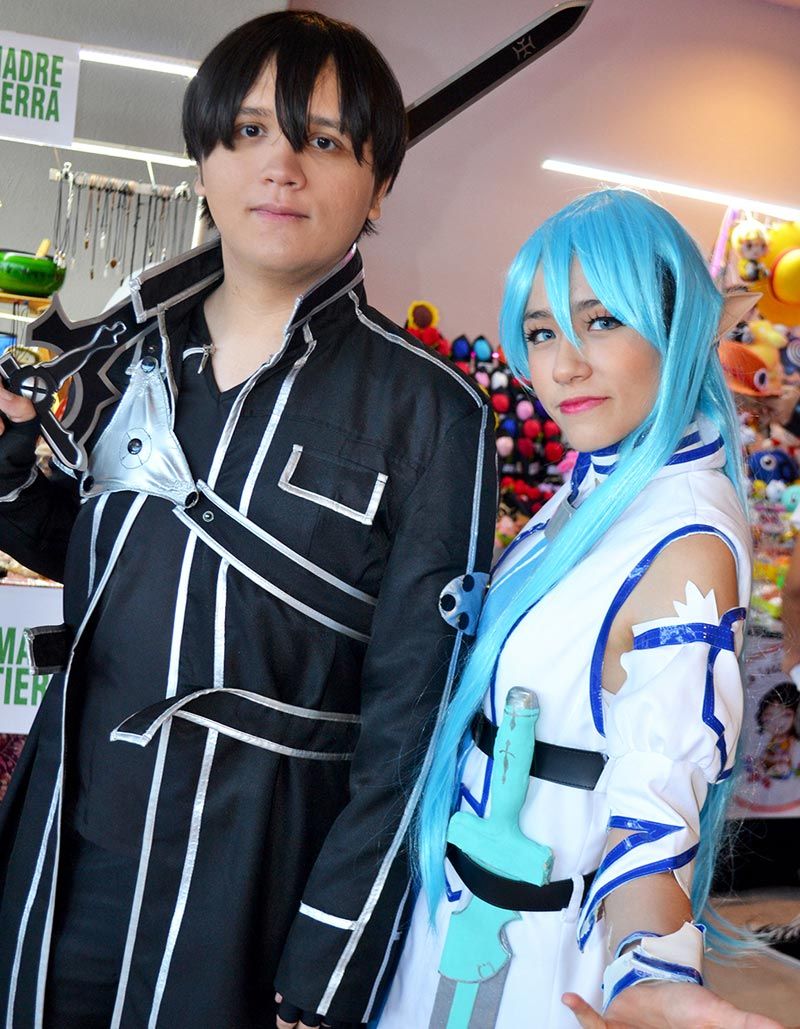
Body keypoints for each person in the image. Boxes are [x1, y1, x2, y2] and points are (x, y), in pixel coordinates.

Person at [0, 12, 497, 1028]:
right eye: (249, 132)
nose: (281, 166)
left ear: (379, 186)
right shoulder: (125, 362)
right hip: (65, 850)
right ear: (205, 159)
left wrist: (331, 954)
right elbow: (101, 558)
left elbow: (416, 715)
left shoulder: (430, 412)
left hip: (255, 887)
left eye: (324, 140)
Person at [378, 190, 783, 1028]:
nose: (562, 365)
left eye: (601, 322)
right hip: (461, 911)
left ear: (679, 327)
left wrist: (651, 973)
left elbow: (655, 804)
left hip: (533, 962)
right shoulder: (599, 486)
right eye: (541, 332)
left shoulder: (686, 540)